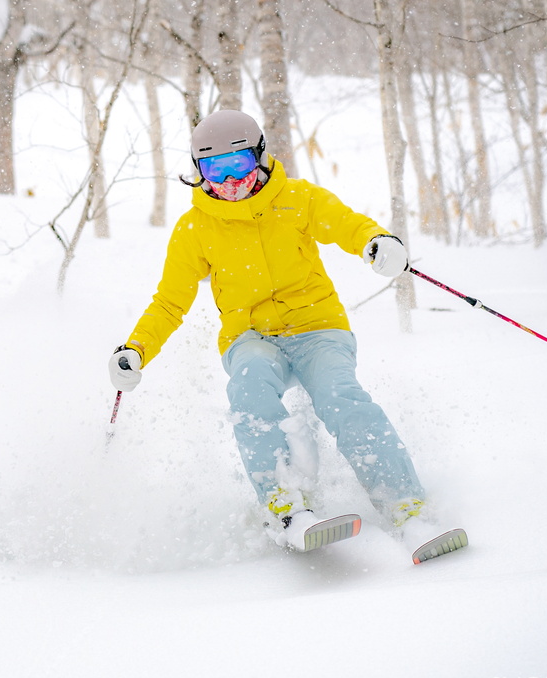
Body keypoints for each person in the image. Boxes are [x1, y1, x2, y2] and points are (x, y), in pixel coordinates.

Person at [110, 109, 445, 553]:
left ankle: (407, 509)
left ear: (260, 158)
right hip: (251, 339)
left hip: (318, 328)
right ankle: (288, 509)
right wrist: (136, 349)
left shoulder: (297, 199)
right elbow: (170, 302)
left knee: (341, 398)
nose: (230, 181)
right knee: (249, 390)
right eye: (215, 170)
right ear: (198, 172)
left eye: (240, 165)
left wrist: (376, 242)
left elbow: (345, 223)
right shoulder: (195, 229)